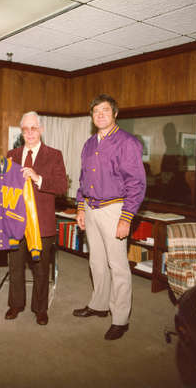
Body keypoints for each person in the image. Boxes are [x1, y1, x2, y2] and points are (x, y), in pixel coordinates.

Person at [73, 94, 146, 340]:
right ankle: (99, 305)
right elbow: (83, 180)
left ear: (115, 113)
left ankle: (120, 319)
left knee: (118, 266)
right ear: (92, 117)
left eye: (105, 110)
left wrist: (126, 218)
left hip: (115, 209)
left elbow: (136, 184)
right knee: (96, 262)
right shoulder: (89, 144)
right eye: (96, 112)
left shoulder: (128, 143)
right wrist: (80, 208)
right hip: (91, 209)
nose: (100, 115)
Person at [5, 111, 67, 325]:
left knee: (41, 268)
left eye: (33, 128)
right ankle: (15, 305)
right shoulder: (11, 155)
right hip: (15, 221)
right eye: (25, 129)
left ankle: (40, 309)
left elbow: (62, 187)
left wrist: (38, 178)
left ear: (41, 130)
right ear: (21, 132)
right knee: (15, 266)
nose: (29, 133)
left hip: (42, 223)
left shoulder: (54, 155)